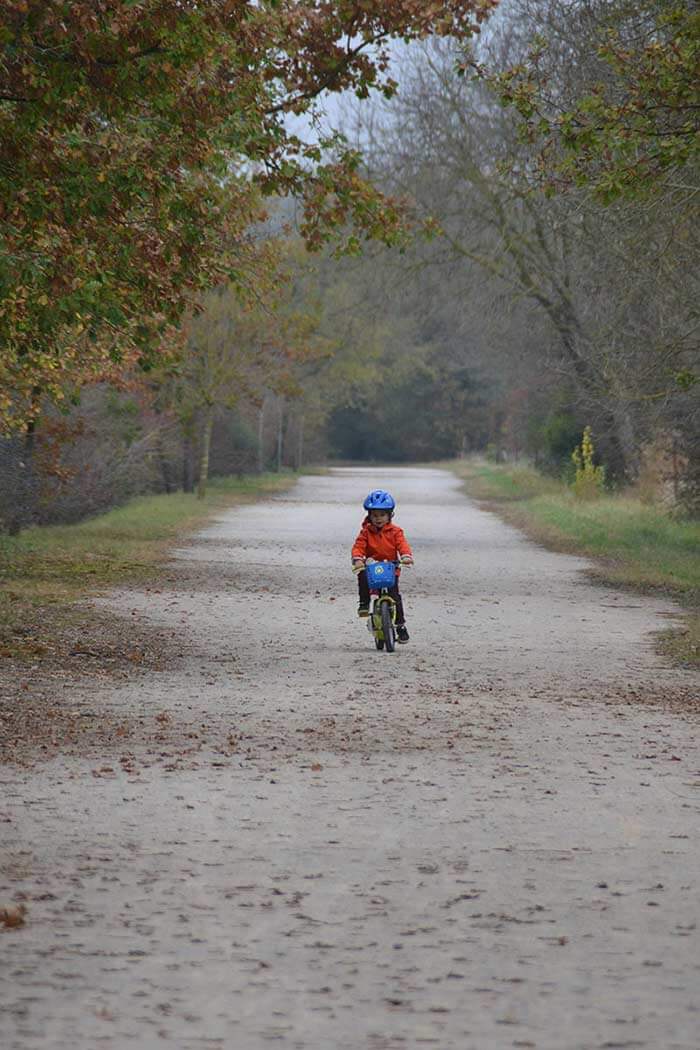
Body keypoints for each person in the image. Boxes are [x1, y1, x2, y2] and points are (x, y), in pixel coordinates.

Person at [351, 489, 414, 643]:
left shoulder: (396, 532)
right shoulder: (366, 532)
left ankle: (400, 626)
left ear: (390, 515)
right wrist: (358, 558)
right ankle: (364, 602)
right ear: (369, 516)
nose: (378, 519)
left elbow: (402, 545)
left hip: (390, 568)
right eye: (375, 515)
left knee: (395, 596)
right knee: (362, 575)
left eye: (382, 515)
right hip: (372, 567)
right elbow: (358, 546)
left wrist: (405, 556)